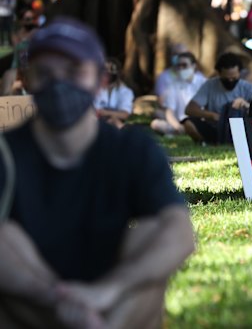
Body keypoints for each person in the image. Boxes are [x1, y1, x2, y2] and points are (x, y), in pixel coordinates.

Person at [0, 17, 195, 328]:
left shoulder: (133, 150)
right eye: (45, 73)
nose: (59, 83)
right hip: (34, 302)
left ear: (100, 80)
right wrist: (58, 297)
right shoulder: (5, 153)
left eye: (74, 72)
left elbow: (180, 234)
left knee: (148, 236)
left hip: (112, 303)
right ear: (28, 79)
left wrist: (106, 292)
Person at [184, 52, 252, 144]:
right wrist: (212, 115)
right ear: (219, 73)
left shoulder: (247, 87)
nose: (230, 81)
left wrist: (246, 105)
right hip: (215, 128)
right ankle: (204, 142)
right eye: (227, 79)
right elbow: (190, 109)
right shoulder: (210, 85)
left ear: (239, 73)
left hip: (240, 128)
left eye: (234, 78)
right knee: (188, 124)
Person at [151, 51, 206, 136]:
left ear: (193, 66)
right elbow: (169, 112)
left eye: (184, 65)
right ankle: (183, 131)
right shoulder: (173, 85)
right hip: (180, 122)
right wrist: (177, 127)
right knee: (155, 124)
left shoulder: (203, 82)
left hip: (200, 122)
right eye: (179, 65)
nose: (181, 68)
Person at [0, 10, 39, 96]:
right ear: (22, 21)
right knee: (6, 90)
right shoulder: (17, 34)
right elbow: (16, 47)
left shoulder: (37, 34)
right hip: (16, 68)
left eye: (32, 18)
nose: (30, 21)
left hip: (31, 68)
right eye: (27, 19)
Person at [94, 57, 135, 129]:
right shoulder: (95, 88)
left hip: (114, 123)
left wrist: (105, 113)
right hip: (95, 122)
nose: (107, 78)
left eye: (111, 75)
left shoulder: (126, 92)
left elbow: (125, 114)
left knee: (114, 121)